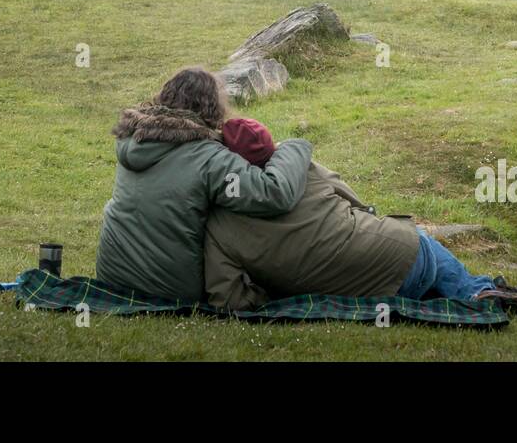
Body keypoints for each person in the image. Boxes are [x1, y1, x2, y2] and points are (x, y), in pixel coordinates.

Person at [204, 119, 501, 310]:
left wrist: (272, 293)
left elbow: (228, 298)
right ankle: (477, 292)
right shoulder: (301, 169)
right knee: (418, 240)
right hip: (403, 261)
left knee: (411, 255)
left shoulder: (218, 222)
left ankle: (471, 292)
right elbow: (357, 204)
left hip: (352, 295)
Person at [95, 67, 312, 302]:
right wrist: (293, 147)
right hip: (168, 289)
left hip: (111, 276)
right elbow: (272, 194)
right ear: (213, 108)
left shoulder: (134, 139)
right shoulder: (209, 159)